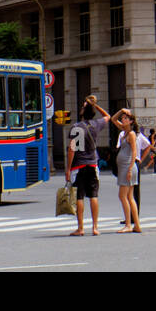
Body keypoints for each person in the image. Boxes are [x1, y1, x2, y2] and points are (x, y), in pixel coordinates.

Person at [65, 94, 110, 237]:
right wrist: (94, 105)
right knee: (93, 195)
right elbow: (108, 116)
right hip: (92, 164)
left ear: (83, 112)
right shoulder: (96, 124)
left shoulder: (76, 127)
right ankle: (95, 227)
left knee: (79, 196)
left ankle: (80, 228)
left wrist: (68, 168)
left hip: (78, 166)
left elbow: (71, 149)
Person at [111, 108, 141, 233]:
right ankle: (136, 225)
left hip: (127, 167)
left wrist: (129, 169)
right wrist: (122, 110)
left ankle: (129, 224)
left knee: (123, 196)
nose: (122, 120)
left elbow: (134, 151)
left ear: (131, 121)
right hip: (125, 167)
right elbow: (113, 119)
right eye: (122, 118)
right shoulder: (124, 132)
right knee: (129, 196)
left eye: (125, 118)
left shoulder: (131, 134)